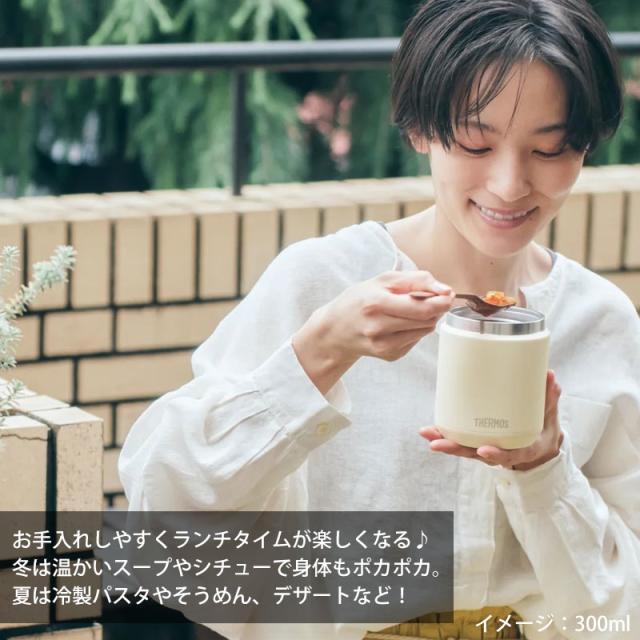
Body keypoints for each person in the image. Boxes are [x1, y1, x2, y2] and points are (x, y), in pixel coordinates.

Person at [119, 1, 640, 638]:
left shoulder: (599, 320)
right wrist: (319, 354)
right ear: (420, 129)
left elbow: (622, 605)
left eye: (550, 149)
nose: (509, 185)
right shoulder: (322, 281)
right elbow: (163, 514)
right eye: (476, 143)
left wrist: (543, 468)